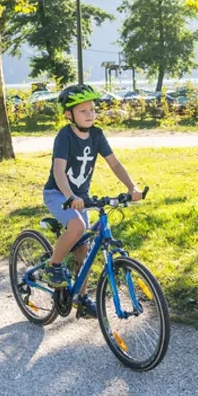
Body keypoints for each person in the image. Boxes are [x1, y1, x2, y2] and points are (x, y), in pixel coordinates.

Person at [42, 83, 143, 317]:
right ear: (69, 114)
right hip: (59, 194)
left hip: (82, 198)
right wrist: (70, 196)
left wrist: (131, 187)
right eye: (83, 111)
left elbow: (114, 163)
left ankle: (81, 297)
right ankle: (53, 266)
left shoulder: (96, 135)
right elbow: (59, 170)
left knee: (83, 249)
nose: (90, 115)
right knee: (77, 226)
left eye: (92, 110)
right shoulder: (65, 136)